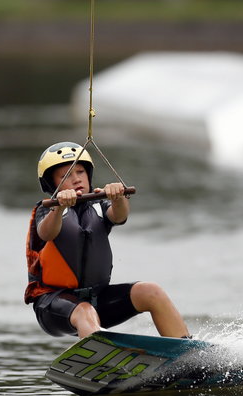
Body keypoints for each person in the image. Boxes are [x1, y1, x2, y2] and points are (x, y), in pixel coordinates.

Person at [24, 141, 191, 340]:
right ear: (52, 183)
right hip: (52, 305)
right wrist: (59, 207)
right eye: (66, 176)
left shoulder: (97, 206)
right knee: (84, 311)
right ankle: (98, 360)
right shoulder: (46, 211)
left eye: (80, 172)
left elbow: (119, 216)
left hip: (98, 300)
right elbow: (47, 233)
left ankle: (186, 352)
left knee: (150, 291)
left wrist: (118, 198)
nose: (76, 179)